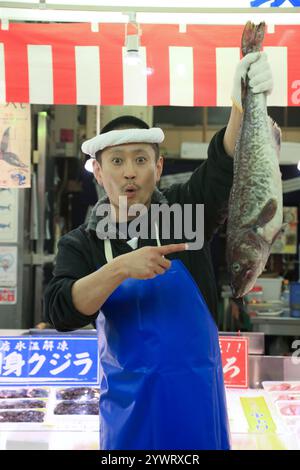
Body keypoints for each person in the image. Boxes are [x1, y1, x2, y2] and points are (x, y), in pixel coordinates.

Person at [45, 52, 273, 450]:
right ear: (98, 171)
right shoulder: (82, 242)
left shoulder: (187, 214)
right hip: (127, 412)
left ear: (159, 166)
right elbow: (61, 310)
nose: (129, 171)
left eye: (140, 160)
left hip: (195, 405)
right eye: (116, 161)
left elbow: (222, 165)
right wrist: (118, 269)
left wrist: (241, 102)